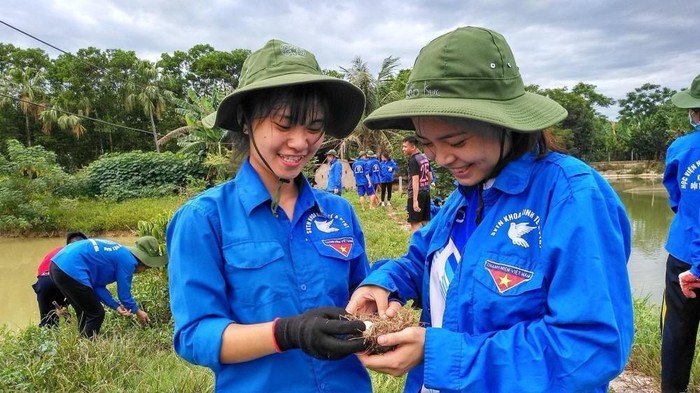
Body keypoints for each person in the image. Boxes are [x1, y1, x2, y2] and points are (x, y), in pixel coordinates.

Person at [346, 26, 634, 393]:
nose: (442, 158)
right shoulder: (466, 195)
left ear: (505, 124)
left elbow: (589, 349)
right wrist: (383, 283)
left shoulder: (570, 197)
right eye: (427, 144)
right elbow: (421, 260)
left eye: (457, 141)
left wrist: (439, 353)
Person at [166, 39, 371, 392]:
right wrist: (285, 333)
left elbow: (361, 298)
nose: (300, 143)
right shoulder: (203, 219)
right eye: (284, 124)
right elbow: (196, 335)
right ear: (246, 121)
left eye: (313, 127)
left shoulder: (339, 212)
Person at [660, 73, 700, 393]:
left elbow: (676, 198)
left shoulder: (680, 148)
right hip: (689, 257)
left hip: (684, 257)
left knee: (677, 331)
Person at [49, 236, 167, 338]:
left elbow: (96, 286)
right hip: (70, 268)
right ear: (143, 262)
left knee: (85, 311)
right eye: (147, 267)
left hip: (57, 266)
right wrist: (138, 311)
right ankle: (88, 347)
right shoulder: (129, 262)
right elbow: (124, 295)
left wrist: (115, 306)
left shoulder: (121, 254)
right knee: (96, 313)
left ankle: (82, 343)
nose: (144, 271)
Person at [32, 230, 87, 327]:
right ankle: (84, 335)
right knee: (83, 309)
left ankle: (48, 336)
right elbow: (82, 281)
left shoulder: (57, 250)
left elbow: (41, 269)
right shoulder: (81, 253)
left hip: (44, 281)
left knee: (47, 320)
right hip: (61, 279)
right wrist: (65, 303)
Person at [402, 135, 432, 233]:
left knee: (414, 223)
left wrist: (415, 200)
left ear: (413, 147)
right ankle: (429, 244)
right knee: (425, 221)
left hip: (416, 193)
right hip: (425, 192)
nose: (403, 149)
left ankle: (415, 246)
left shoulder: (413, 160)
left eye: (405, 146)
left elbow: (415, 180)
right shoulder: (424, 157)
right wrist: (426, 186)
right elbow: (430, 176)